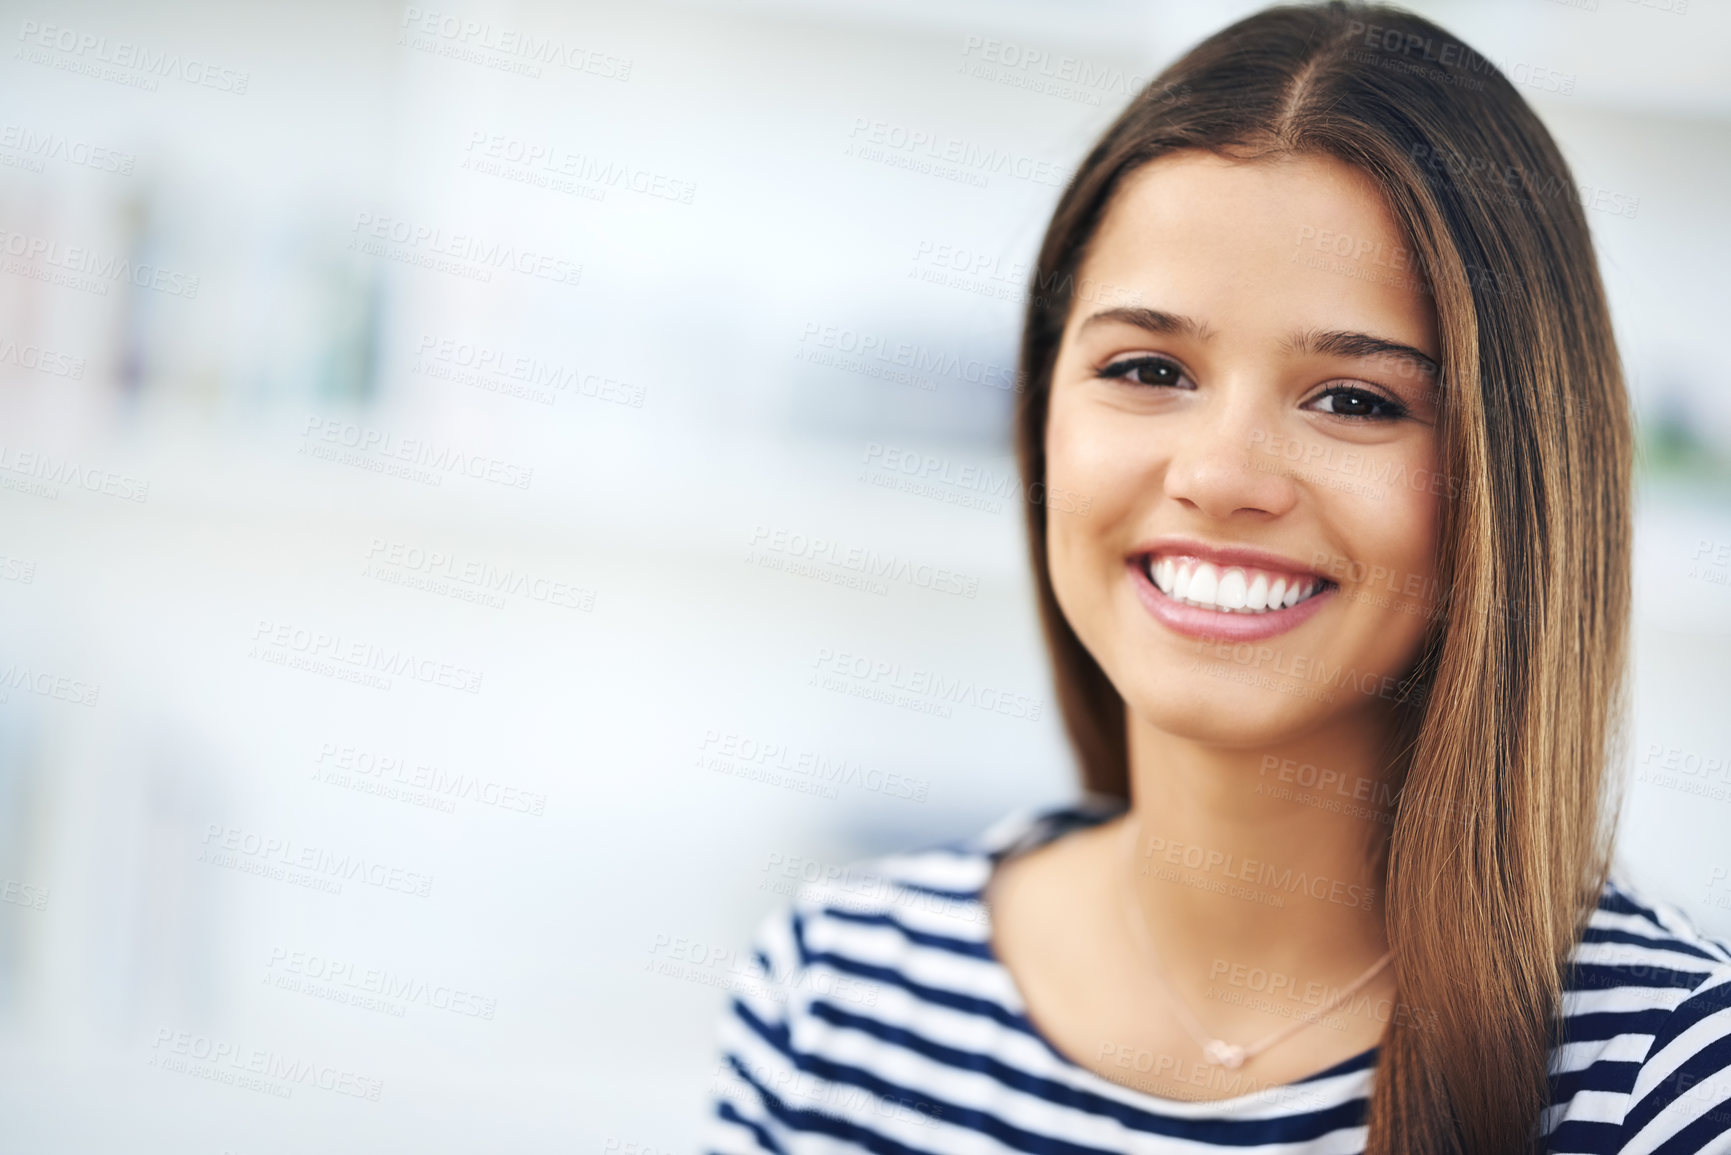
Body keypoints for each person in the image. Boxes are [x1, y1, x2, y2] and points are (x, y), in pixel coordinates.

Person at [704, 3, 1731, 1151]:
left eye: (1356, 400)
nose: (1221, 474)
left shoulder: (1669, 1080)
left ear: (1519, 474)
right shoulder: (837, 996)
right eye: (1148, 368)